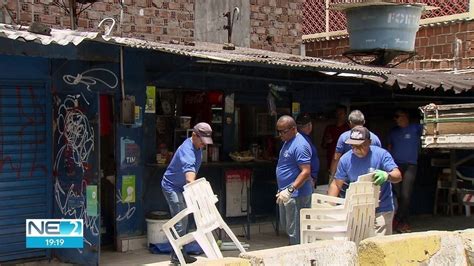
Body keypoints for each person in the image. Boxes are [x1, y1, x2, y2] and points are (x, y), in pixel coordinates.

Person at [328, 126, 402, 235]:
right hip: (357, 210)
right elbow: (336, 184)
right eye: (353, 146)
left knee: (379, 245)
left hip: (381, 210)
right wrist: (330, 208)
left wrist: (387, 176)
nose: (357, 149)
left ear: (369, 142)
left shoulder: (381, 155)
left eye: (360, 145)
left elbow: (398, 175)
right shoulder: (345, 159)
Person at [161, 122, 213, 264]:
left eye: (206, 142)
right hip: (172, 187)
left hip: (183, 187)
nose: (204, 144)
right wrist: (200, 195)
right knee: (180, 219)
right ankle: (176, 257)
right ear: (194, 135)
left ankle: (181, 253)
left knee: (186, 219)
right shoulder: (187, 150)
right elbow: (190, 177)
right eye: (202, 141)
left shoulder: (197, 147)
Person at [275, 115, 312, 245]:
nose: (280, 135)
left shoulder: (300, 145)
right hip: (287, 193)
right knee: (288, 227)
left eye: (283, 131)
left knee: (296, 230)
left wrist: (290, 190)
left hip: (297, 195)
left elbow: (306, 171)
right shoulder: (287, 142)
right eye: (278, 131)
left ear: (293, 129)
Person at [388, 109, 422, 233]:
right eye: (394, 117)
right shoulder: (393, 132)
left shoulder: (415, 128)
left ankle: (399, 221)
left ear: (405, 116)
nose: (396, 119)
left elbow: (430, 125)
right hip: (396, 166)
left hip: (410, 166)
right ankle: (401, 222)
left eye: (398, 116)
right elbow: (389, 148)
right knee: (397, 195)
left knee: (406, 195)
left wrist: (432, 109)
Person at [329, 110, 382, 181]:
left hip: (349, 176)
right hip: (368, 175)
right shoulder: (374, 138)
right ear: (364, 122)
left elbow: (336, 158)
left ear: (350, 123)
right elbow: (379, 158)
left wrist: (332, 176)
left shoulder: (344, 137)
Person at [296, 113, 320, 188]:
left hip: (308, 178)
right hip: (306, 180)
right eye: (306, 125)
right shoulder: (301, 140)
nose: (309, 127)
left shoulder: (306, 138)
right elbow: (303, 164)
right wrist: (310, 179)